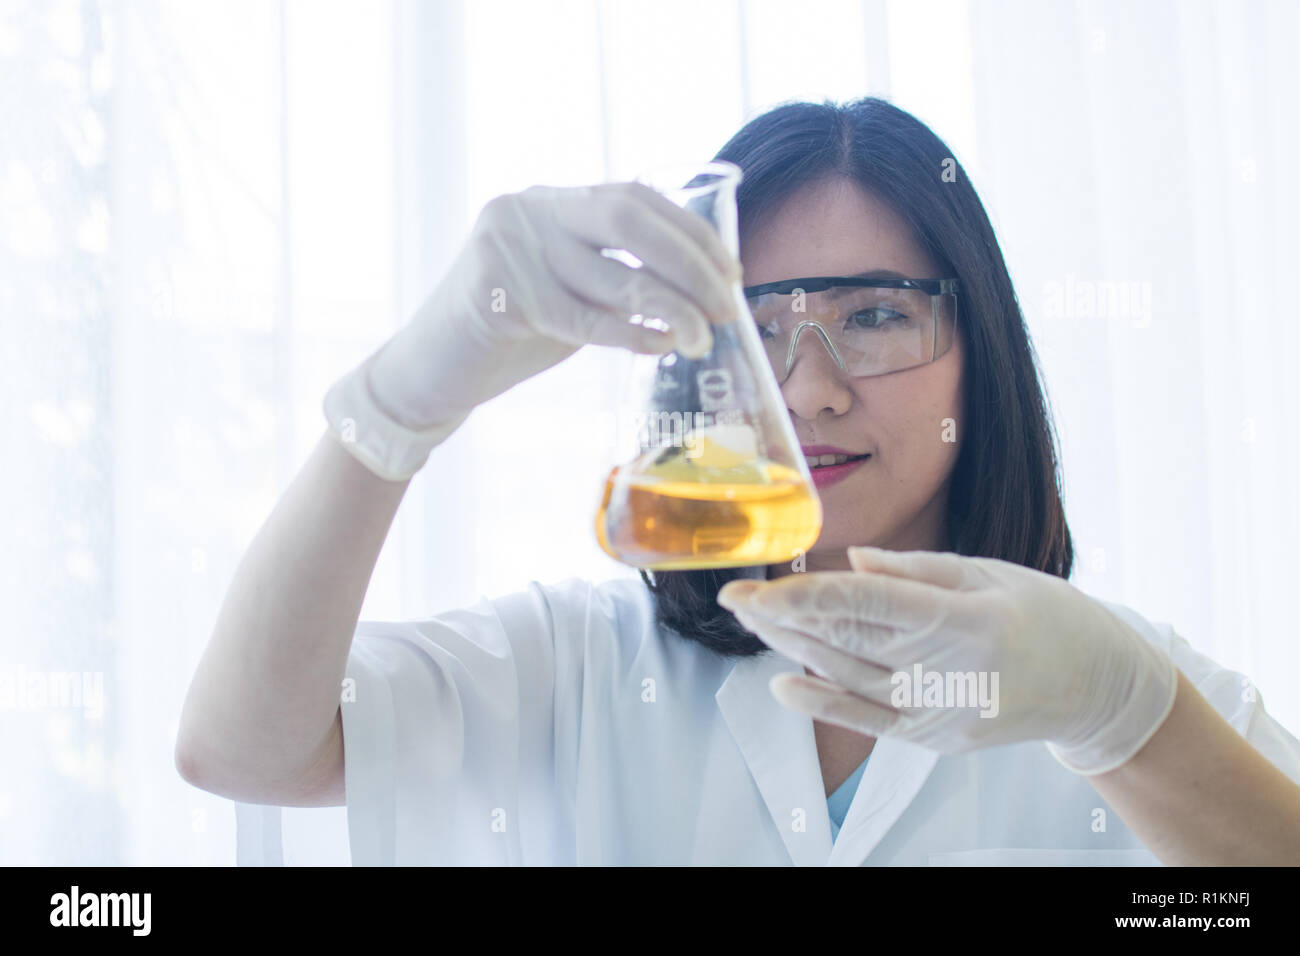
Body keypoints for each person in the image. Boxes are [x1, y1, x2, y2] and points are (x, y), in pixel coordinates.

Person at [175, 97, 1300, 866]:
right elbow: (240, 746)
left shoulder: (1119, 686)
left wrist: (1125, 721)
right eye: (754, 330)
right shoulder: (578, 667)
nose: (809, 389)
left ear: (980, 343)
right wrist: (396, 406)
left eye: (871, 313)